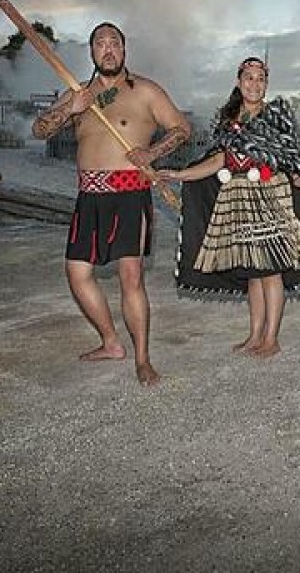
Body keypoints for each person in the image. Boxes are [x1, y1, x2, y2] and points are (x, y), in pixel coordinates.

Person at [31, 22, 190, 386]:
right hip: (89, 196)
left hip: (130, 195)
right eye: (100, 43)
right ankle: (110, 342)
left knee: (130, 277)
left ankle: (143, 359)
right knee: (78, 275)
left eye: (114, 43)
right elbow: (39, 130)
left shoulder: (145, 91)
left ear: (124, 50)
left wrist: (151, 152)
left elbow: (182, 129)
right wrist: (71, 108)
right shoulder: (79, 94)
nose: (108, 49)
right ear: (91, 52)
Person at [159, 58, 300, 358]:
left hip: (270, 195)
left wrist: (298, 178)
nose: (254, 84)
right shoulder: (227, 121)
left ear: (266, 83)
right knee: (253, 271)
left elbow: (290, 159)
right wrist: (181, 174)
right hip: (237, 199)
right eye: (249, 78)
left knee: (271, 269)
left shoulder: (276, 117)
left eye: (260, 78)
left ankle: (271, 338)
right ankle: (254, 334)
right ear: (238, 81)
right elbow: (218, 160)